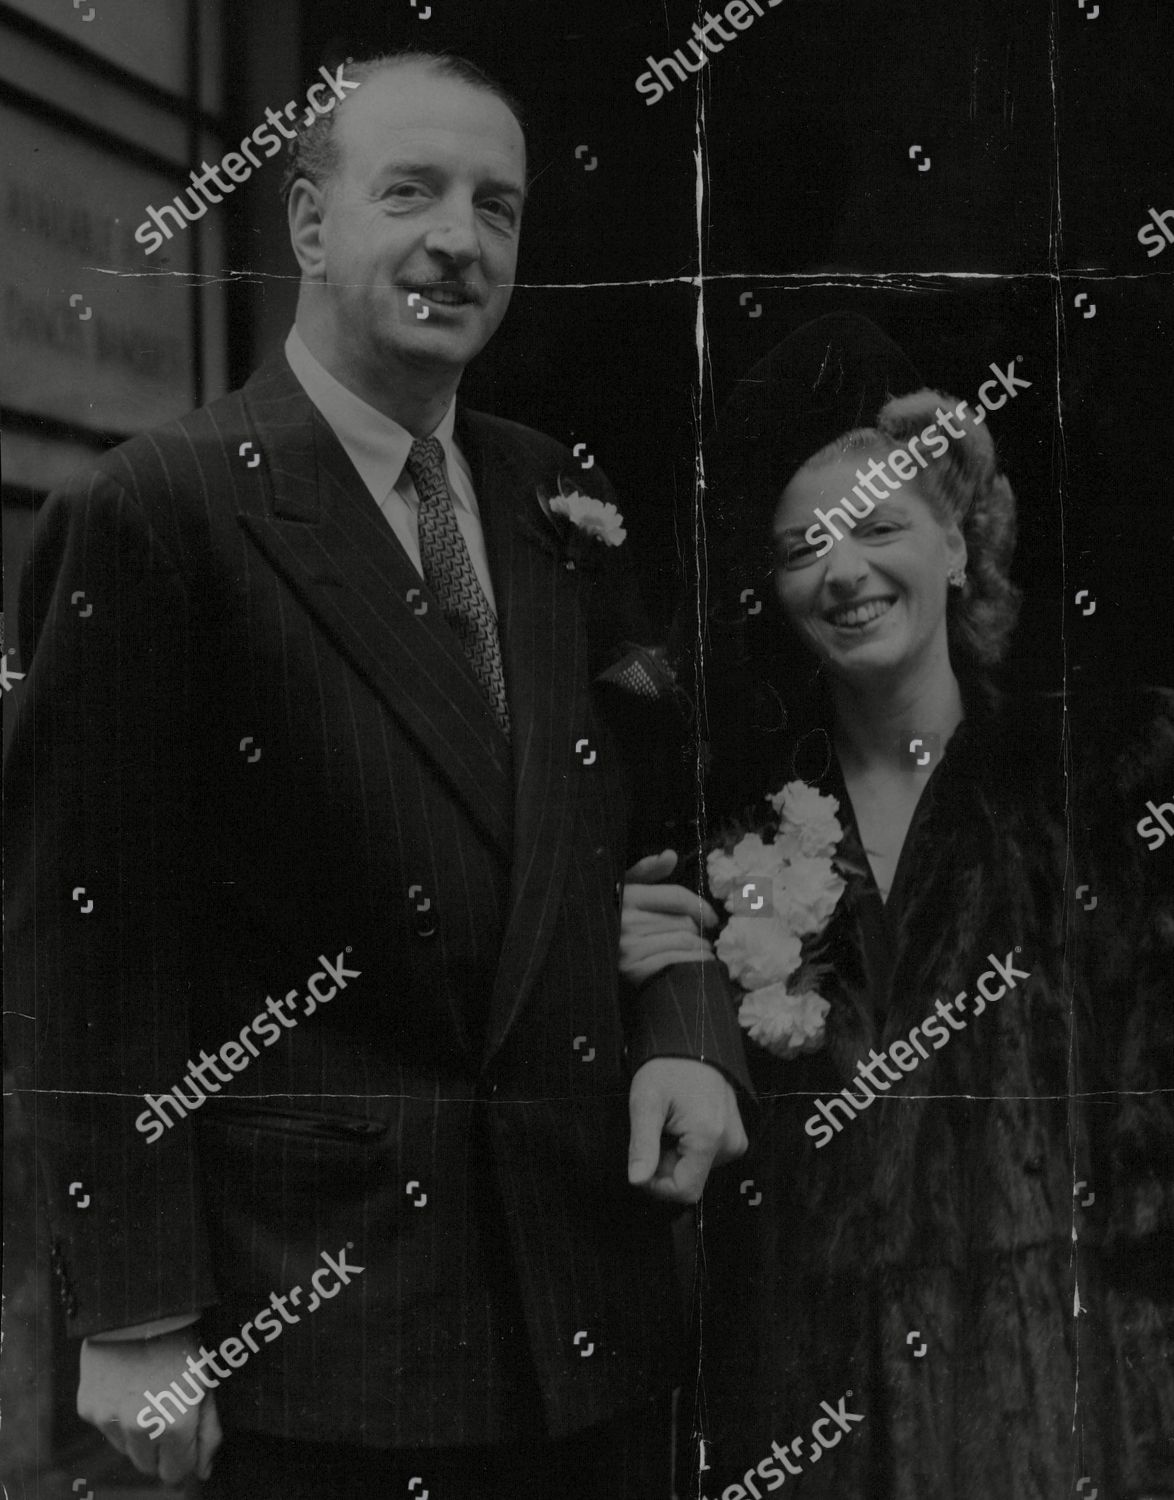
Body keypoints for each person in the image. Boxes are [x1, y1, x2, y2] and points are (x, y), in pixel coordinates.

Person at [4, 51, 751, 1499]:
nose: (459, 241)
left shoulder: (554, 499)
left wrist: (683, 1025)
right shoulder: (159, 511)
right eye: (409, 192)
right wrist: (137, 1316)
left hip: (584, 1297)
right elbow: (80, 934)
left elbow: (641, 834)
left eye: (498, 208)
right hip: (318, 1324)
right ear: (302, 227)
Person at [621, 313, 1174, 1497]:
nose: (845, 571)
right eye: (803, 547)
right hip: (805, 1392)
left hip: (1055, 1386)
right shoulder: (735, 827)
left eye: (879, 527)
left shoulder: (1105, 775)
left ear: (961, 545)